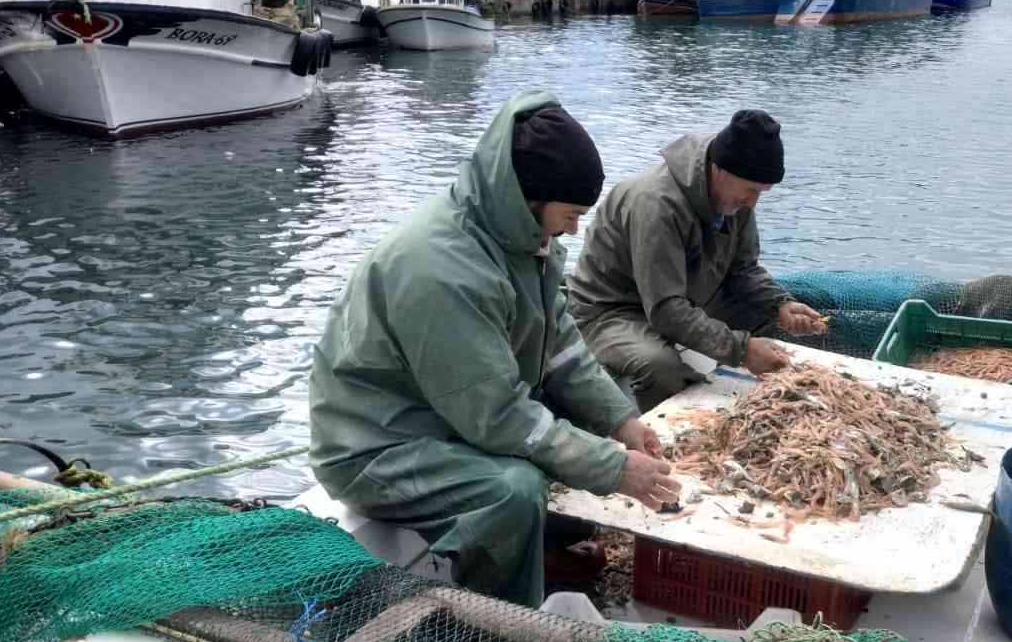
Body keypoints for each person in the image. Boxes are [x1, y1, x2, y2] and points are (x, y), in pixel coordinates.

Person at [310, 91, 680, 608]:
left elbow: (562, 349)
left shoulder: (521, 241)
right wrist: (615, 469)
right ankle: (498, 625)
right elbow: (500, 419)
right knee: (514, 487)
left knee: (583, 428)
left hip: (446, 414)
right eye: (571, 215)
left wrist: (622, 422)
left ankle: (540, 554)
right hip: (376, 444)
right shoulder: (441, 270)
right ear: (528, 198)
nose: (575, 229)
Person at [568, 109, 826, 413]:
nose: (752, 202)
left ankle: (761, 403)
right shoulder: (656, 204)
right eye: (751, 190)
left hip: (683, 297)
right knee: (660, 365)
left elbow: (742, 270)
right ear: (719, 170)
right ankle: (669, 439)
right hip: (612, 310)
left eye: (761, 193)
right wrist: (741, 350)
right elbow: (666, 311)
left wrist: (779, 305)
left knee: (763, 317)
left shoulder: (735, 197)